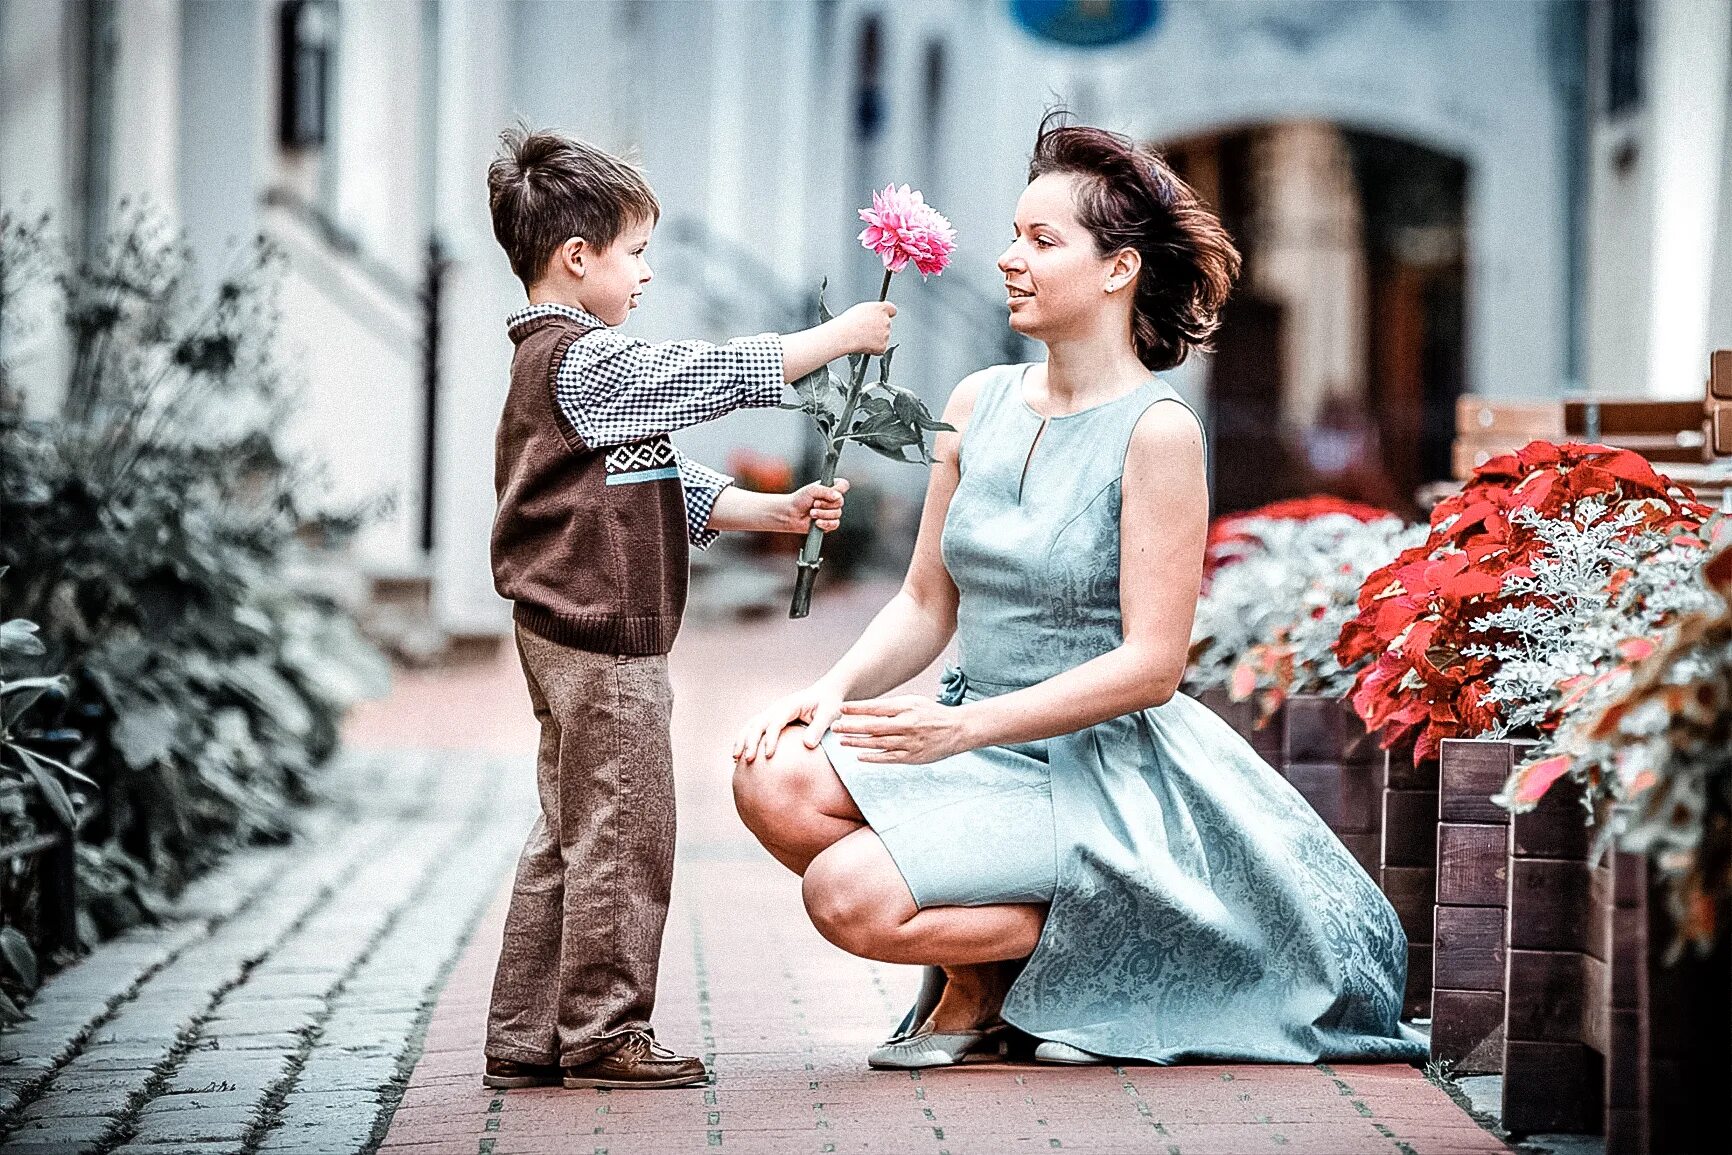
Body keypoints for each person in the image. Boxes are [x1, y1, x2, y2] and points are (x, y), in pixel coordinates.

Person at [731, 115, 1427, 1069]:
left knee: (845, 897)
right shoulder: (975, 401)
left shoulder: (1160, 433)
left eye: (1041, 240)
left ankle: (1099, 936)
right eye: (1015, 235)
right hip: (974, 737)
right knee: (769, 779)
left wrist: (966, 730)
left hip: (1098, 768)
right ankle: (988, 991)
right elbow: (926, 604)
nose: (1010, 259)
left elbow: (1152, 668)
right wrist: (835, 689)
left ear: (1118, 269)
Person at [482, 127, 894, 1090]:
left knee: (569, 825)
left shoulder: (567, 371)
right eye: (635, 253)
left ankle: (526, 1027)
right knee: (627, 831)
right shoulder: (584, 362)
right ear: (577, 259)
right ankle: (603, 1028)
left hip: (563, 630)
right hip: (604, 636)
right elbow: (698, 378)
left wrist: (774, 512)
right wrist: (827, 342)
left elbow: (661, 474)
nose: (648, 273)